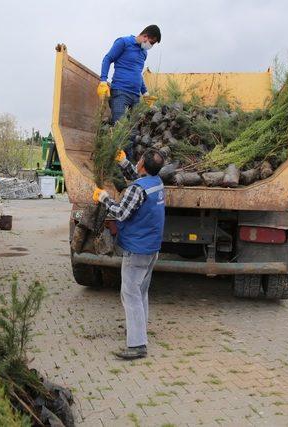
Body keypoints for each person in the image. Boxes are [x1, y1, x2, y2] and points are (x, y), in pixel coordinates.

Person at [92, 149, 165, 359]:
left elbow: (121, 213)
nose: (138, 161)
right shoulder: (157, 183)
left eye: (139, 159)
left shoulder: (138, 190)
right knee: (141, 291)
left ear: (142, 164)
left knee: (130, 294)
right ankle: (138, 332)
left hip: (137, 249)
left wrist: (104, 198)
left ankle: (137, 345)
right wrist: (124, 162)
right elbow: (138, 182)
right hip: (152, 248)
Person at [97, 25, 162, 124]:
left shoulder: (144, 53)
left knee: (132, 133)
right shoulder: (123, 42)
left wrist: (145, 93)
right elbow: (108, 59)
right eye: (151, 42)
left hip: (135, 97)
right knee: (119, 127)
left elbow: (137, 73)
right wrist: (103, 81)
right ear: (145, 36)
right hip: (120, 92)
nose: (151, 46)